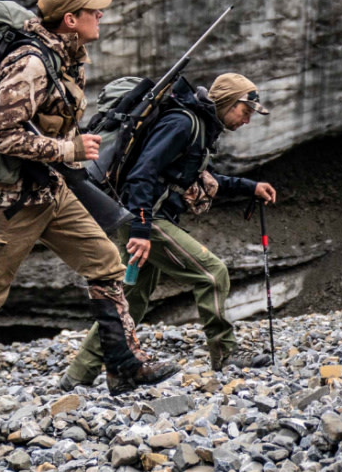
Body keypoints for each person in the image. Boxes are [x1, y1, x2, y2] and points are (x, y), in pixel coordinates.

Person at [0, 0, 178, 421]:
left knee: (105, 261)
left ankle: (124, 365)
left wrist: (70, 148)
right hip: (6, 200)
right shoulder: (32, 63)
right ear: (70, 19)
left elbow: (50, 124)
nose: (99, 16)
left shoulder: (65, 60)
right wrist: (67, 149)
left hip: (50, 189)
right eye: (92, 11)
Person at [59, 73, 277, 389]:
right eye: (245, 112)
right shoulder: (183, 124)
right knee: (213, 273)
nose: (247, 120)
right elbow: (141, 174)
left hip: (140, 218)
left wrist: (250, 187)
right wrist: (142, 228)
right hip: (145, 219)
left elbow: (203, 179)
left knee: (131, 299)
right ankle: (225, 353)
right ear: (229, 103)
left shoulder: (200, 129)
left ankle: (78, 375)